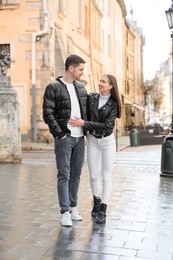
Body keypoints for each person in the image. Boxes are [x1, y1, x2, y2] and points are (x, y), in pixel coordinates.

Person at [69, 74, 122, 224]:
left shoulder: (114, 103)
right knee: (93, 175)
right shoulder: (92, 98)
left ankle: (103, 209)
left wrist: (83, 123)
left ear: (111, 85)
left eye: (103, 82)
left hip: (107, 142)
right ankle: (96, 200)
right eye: (100, 81)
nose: (100, 83)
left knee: (106, 175)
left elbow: (107, 126)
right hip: (92, 140)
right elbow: (78, 100)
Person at [42, 54, 87, 227]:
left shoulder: (81, 88)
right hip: (65, 138)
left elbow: (88, 113)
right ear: (71, 68)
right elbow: (48, 113)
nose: (82, 73)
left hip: (79, 138)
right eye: (81, 69)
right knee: (64, 174)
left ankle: (73, 207)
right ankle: (64, 212)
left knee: (76, 174)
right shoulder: (53, 87)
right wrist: (59, 134)